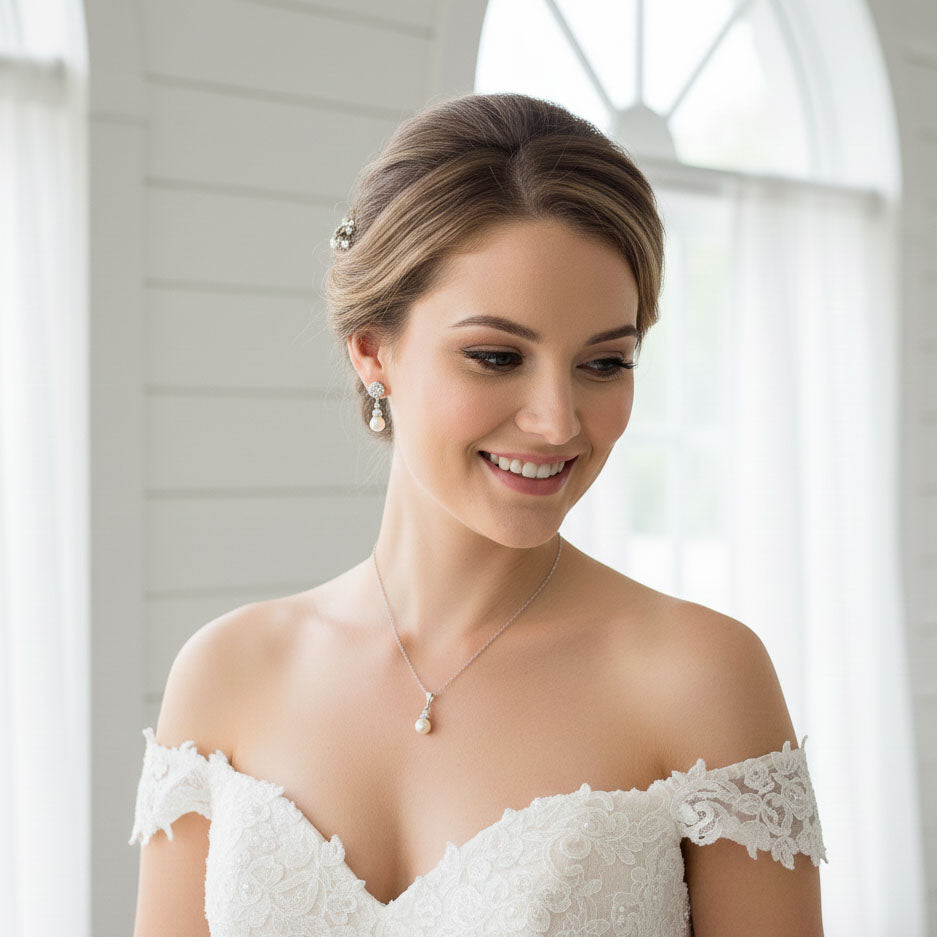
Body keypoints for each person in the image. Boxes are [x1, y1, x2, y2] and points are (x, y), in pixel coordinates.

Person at [128, 92, 827, 936]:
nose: (558, 420)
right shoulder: (225, 676)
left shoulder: (699, 677)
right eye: (496, 356)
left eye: (604, 363)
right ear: (372, 349)